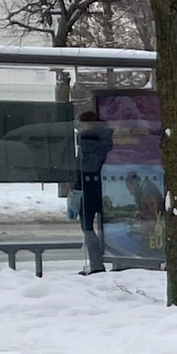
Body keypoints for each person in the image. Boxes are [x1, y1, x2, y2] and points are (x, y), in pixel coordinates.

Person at [74, 104, 115, 273]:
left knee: (88, 226)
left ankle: (97, 264)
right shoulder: (105, 137)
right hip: (104, 186)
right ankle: (113, 260)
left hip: (89, 186)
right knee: (103, 226)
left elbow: (86, 165)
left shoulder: (88, 140)